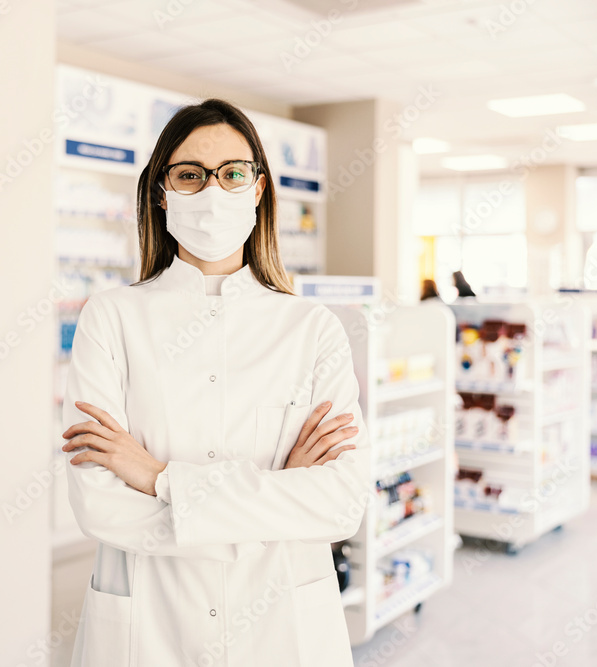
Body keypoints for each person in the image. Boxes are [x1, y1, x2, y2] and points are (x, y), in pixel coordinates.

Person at [61, 100, 370, 666]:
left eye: (232, 173)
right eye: (190, 175)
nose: (212, 192)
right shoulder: (111, 317)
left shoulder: (311, 329)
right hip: (149, 628)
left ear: (257, 190)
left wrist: (157, 478)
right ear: (161, 191)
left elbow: (340, 504)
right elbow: (99, 504)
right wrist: (273, 504)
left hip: (282, 628)